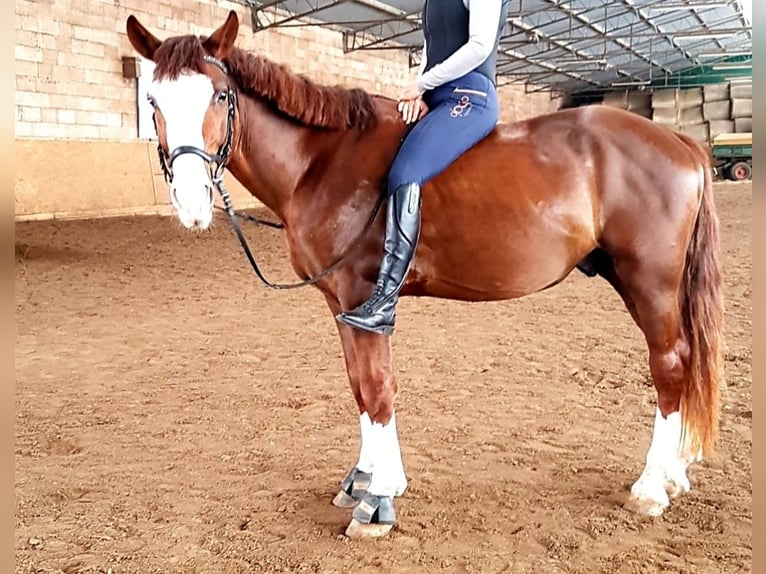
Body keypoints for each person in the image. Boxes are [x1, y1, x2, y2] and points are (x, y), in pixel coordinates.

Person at [336, 0, 510, 335]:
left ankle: (384, 302)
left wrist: (422, 84)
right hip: (438, 96)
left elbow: (479, 46)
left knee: (406, 172)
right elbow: (432, 49)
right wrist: (420, 92)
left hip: (471, 94)